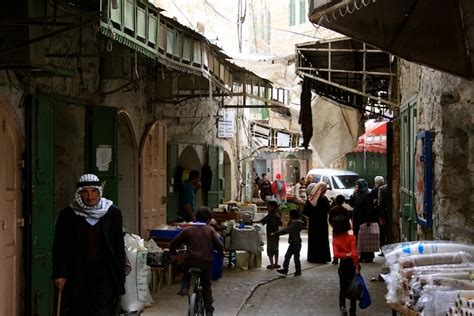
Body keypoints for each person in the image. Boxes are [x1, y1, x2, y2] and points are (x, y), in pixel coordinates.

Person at [52, 174, 125, 316]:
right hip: (77, 275)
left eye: (94, 191)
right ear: (79, 193)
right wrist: (59, 274)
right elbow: (60, 247)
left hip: (105, 274)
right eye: (85, 191)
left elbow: (118, 247)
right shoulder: (68, 215)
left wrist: (120, 276)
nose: (90, 196)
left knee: (102, 311)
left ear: (99, 192)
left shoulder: (112, 212)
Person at [170, 206, 224, 316]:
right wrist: (221, 253)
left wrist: (173, 252)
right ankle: (209, 309)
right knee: (206, 286)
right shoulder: (210, 230)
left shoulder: (188, 230)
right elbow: (219, 246)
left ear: (195, 217)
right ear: (209, 220)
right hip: (206, 263)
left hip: (191, 261)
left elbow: (174, 243)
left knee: (187, 271)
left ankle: (185, 286)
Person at [332, 214, 360, 316]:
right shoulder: (352, 238)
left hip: (343, 265)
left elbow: (336, 254)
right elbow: (354, 254)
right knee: (353, 288)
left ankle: (342, 308)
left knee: (342, 288)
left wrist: (344, 254)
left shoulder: (335, 240)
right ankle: (353, 310)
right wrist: (357, 266)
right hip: (352, 265)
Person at [349, 178, 378, 263]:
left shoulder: (368, 193)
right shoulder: (357, 193)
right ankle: (361, 255)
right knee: (358, 238)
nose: (356, 187)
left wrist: (369, 220)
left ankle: (368, 256)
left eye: (357, 185)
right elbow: (351, 203)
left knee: (366, 238)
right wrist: (353, 194)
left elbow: (368, 207)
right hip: (357, 218)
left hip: (364, 218)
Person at [303, 182, 331, 263]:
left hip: (313, 223)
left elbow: (306, 212)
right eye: (325, 189)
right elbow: (329, 210)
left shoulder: (311, 198)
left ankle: (313, 257)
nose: (325, 191)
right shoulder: (324, 199)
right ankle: (322, 258)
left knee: (314, 240)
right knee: (322, 240)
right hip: (322, 223)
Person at [272, 209, 306, 276]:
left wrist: (275, 234)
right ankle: (291, 270)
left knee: (291, 257)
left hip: (295, 243)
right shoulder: (298, 222)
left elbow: (286, 230)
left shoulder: (294, 223)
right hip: (295, 242)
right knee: (291, 257)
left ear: (291, 215)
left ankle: (292, 270)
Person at [254, 200, 282, 269]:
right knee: (276, 249)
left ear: (272, 207)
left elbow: (262, 221)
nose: (267, 207)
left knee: (270, 249)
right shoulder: (277, 215)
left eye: (268, 206)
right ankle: (276, 263)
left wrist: (252, 222)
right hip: (276, 234)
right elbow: (280, 224)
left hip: (270, 235)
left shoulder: (270, 215)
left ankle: (271, 264)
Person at [329, 194, 351, 265]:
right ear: (343, 202)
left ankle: (335, 258)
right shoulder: (345, 210)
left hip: (336, 229)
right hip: (344, 230)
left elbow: (330, 220)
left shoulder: (333, 210)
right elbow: (347, 220)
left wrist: (334, 226)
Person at [377, 183, 389, 256]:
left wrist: (381, 216)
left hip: (383, 214)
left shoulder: (382, 189)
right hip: (389, 212)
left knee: (383, 233)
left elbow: (380, 203)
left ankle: (384, 250)